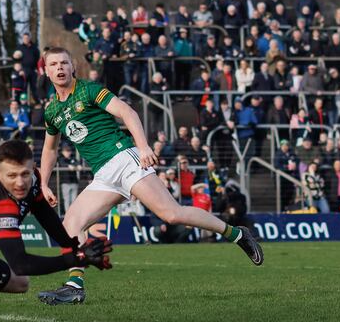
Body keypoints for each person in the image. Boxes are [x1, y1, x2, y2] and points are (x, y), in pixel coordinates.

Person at [36, 47, 264, 305]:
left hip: (125, 158)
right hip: (103, 175)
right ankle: (74, 286)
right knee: (71, 224)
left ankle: (237, 234)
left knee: (172, 214)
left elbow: (127, 112)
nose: (60, 68)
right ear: (46, 70)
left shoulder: (87, 89)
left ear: (72, 65)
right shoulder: (52, 110)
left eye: (64, 63)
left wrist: (143, 146)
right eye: (53, 64)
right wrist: (43, 183)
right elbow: (50, 148)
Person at [0, 139, 113, 293]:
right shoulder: (0, 206)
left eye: (24, 174)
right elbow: (21, 264)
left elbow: (43, 212)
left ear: (33, 167)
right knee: (22, 284)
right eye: (11, 175)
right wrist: (77, 258)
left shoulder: (34, 178)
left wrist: (71, 244)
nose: (20, 183)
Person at [57, 143, 81, 215]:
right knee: (66, 200)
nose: (68, 152)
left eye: (69, 150)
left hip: (74, 182)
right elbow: (62, 164)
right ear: (62, 151)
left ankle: (73, 215)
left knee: (74, 200)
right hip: (65, 183)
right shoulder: (61, 159)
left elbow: (78, 165)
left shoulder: (73, 158)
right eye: (66, 151)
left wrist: (77, 166)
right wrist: (69, 166)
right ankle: (68, 215)